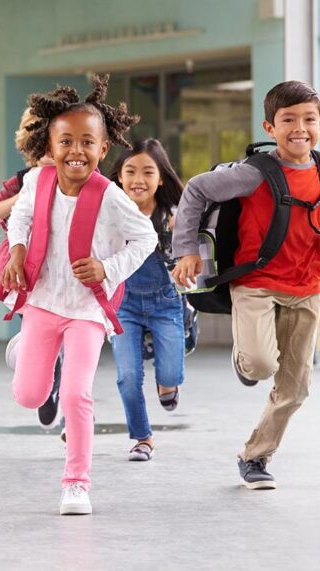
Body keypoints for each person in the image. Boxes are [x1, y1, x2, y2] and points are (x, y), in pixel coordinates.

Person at [171, 80, 320, 490]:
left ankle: (255, 457)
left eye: (309, 119)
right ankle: (245, 360)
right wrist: (185, 248)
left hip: (306, 287)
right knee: (259, 365)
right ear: (269, 127)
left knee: (296, 388)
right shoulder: (254, 173)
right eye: (287, 119)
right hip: (255, 282)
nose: (299, 128)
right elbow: (198, 189)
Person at [2, 77, 157, 515]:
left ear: (103, 149)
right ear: (49, 147)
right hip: (43, 302)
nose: (76, 150)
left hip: (87, 309)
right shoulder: (37, 181)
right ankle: (27, 352)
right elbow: (21, 218)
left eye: (87, 142)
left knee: (76, 395)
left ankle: (76, 483)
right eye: (65, 141)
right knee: (29, 396)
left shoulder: (110, 197)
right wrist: (17, 251)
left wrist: (108, 269)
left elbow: (144, 239)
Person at [0, 109, 60, 428]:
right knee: (41, 346)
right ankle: (38, 368)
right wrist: (27, 194)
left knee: (73, 337)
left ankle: (72, 407)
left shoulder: (77, 176)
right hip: (33, 275)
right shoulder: (22, 180)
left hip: (70, 274)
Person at [108, 139, 186, 462]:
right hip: (123, 305)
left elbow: (191, 250)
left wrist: (183, 251)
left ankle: (167, 384)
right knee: (127, 377)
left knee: (169, 375)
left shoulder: (172, 215)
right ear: (119, 178)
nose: (138, 179)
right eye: (130, 171)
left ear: (161, 178)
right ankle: (142, 438)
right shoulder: (110, 213)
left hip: (165, 301)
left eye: (147, 172)